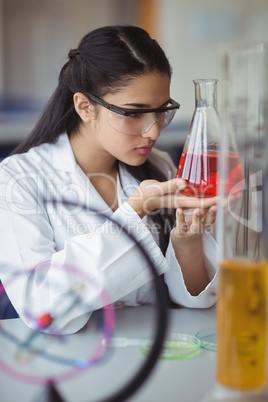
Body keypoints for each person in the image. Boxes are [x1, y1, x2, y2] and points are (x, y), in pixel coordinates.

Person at [0, 25, 218, 333]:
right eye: (134, 113)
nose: (154, 131)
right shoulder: (18, 179)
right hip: (73, 365)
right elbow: (42, 308)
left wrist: (187, 242)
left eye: (161, 111)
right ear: (85, 107)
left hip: (152, 355)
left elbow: (189, 299)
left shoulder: (160, 166)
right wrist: (135, 210)